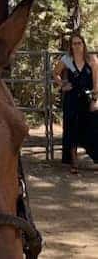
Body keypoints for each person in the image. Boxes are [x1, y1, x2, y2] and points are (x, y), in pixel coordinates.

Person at [53, 32, 98, 173]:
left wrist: (95, 100)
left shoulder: (92, 60)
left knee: (90, 127)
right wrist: (62, 84)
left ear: (84, 44)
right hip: (71, 98)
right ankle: (73, 161)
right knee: (71, 128)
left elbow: (96, 83)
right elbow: (55, 73)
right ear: (71, 46)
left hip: (87, 98)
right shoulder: (67, 59)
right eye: (74, 44)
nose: (77, 46)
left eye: (79, 43)